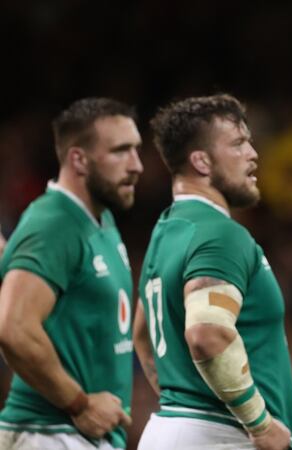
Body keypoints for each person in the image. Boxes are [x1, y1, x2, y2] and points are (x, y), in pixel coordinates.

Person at [134, 94, 292, 450]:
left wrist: (181, 398)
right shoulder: (220, 233)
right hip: (221, 435)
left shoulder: (167, 230)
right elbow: (207, 333)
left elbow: (142, 332)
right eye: (239, 143)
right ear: (201, 161)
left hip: (173, 427)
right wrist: (260, 424)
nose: (253, 154)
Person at [0, 98, 142, 449]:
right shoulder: (55, 223)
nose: (137, 165)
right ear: (78, 159)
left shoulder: (99, 218)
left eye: (136, 150)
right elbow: (13, 328)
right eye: (121, 151)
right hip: (48, 432)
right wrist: (80, 403)